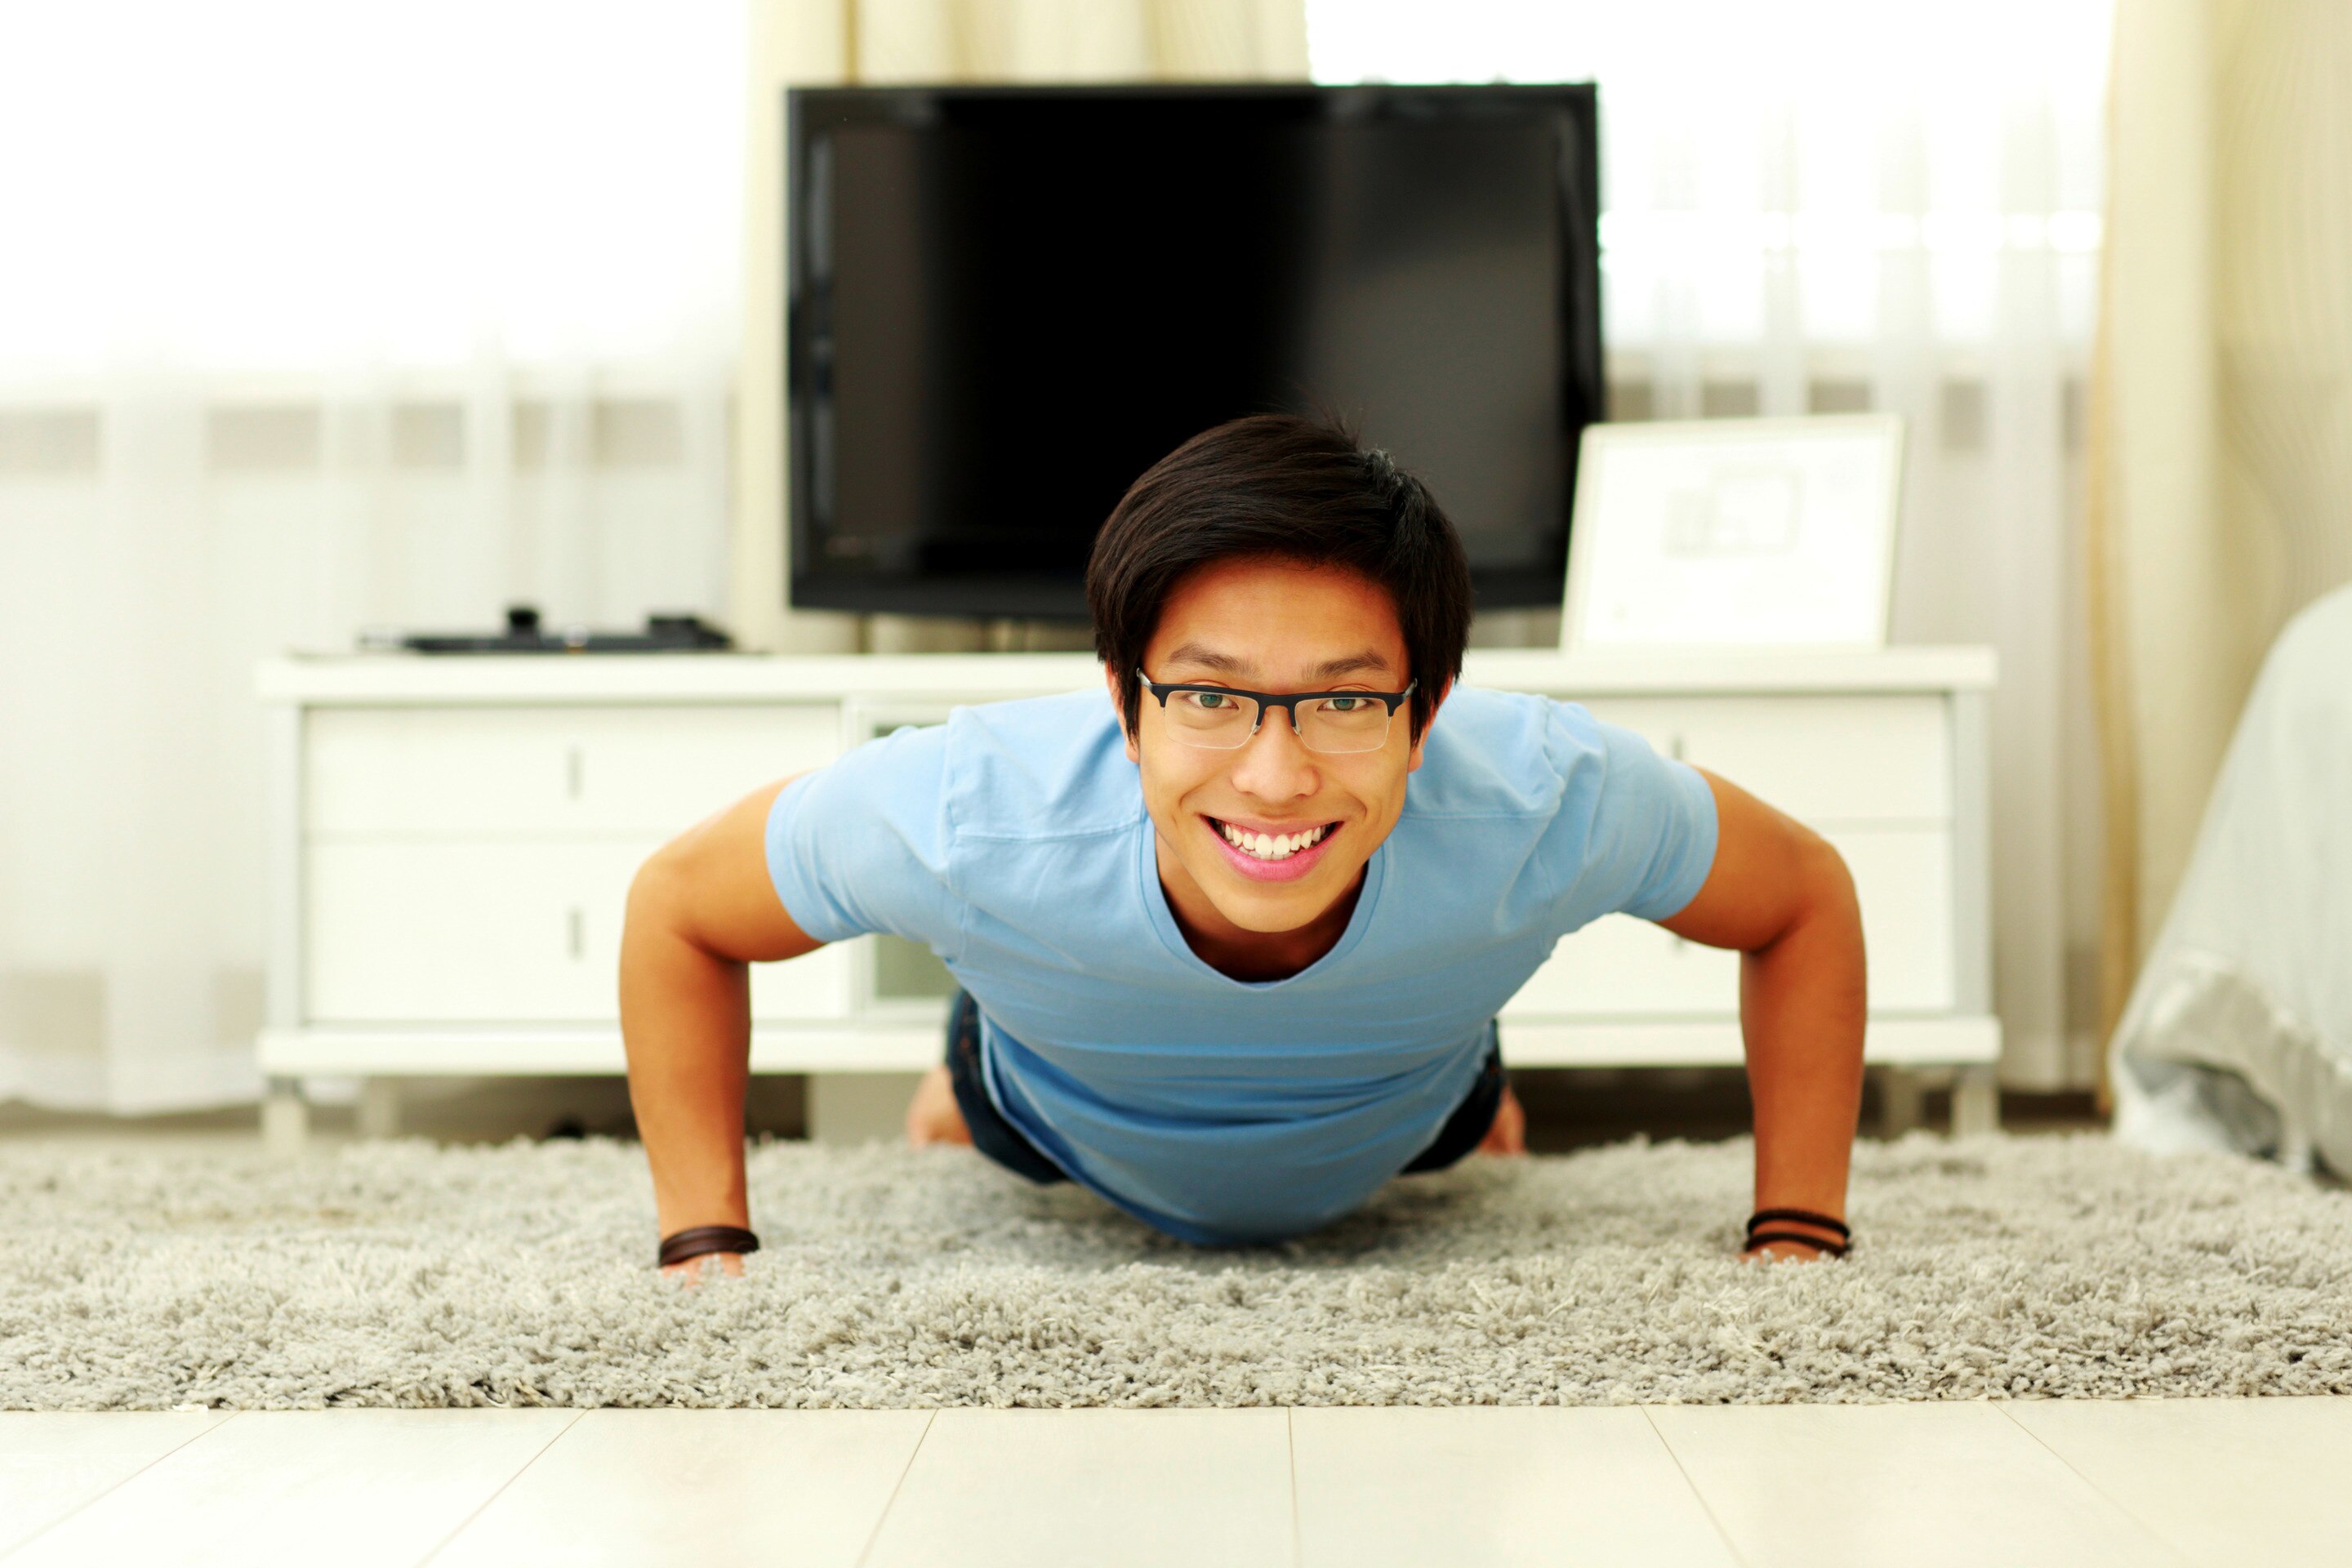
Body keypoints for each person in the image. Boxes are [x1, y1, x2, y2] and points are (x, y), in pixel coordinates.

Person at [621, 415, 1864, 1283]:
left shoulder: (1544, 792)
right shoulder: (962, 807)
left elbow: (1801, 893)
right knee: (981, 1086)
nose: (1276, 776)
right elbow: (679, 907)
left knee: (1458, 1094)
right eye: (1210, 697)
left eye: (1346, 701)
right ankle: (960, 1091)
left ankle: (1476, 1106)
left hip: (1406, 1105)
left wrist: (1798, 1228)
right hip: (1051, 1113)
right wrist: (701, 1243)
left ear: (1426, 713)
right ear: (1125, 703)